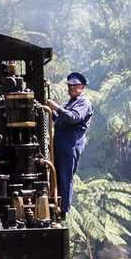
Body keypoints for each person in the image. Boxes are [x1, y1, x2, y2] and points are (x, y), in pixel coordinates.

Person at [47, 71, 94, 216]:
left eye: (74, 86)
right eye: (69, 86)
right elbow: (61, 119)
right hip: (61, 144)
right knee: (57, 175)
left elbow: (74, 117)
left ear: (82, 87)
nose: (71, 89)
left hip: (70, 145)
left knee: (65, 176)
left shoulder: (83, 102)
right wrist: (50, 111)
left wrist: (56, 108)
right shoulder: (71, 102)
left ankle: (63, 209)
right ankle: (55, 201)